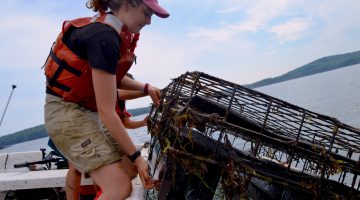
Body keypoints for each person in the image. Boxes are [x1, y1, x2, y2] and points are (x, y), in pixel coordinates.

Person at [43, 0, 169, 199]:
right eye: (147, 13)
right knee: (119, 187)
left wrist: (146, 87)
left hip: (86, 110)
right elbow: (108, 112)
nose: (149, 21)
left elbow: (113, 76)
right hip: (67, 113)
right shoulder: (104, 36)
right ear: (129, 4)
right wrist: (138, 157)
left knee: (129, 169)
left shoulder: (110, 30)